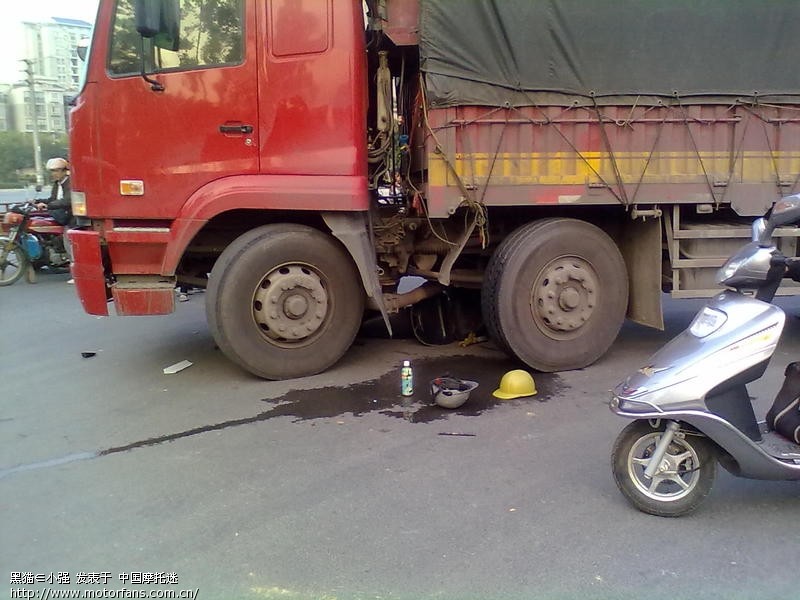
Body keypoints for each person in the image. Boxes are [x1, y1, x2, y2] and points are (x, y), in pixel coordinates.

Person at [36, 157, 74, 282]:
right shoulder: (57, 185)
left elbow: (68, 200)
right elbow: (53, 199)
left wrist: (49, 205)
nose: (54, 174)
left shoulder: (69, 183)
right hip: (61, 214)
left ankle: (75, 273)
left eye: (56, 171)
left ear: (64, 171)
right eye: (52, 171)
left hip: (72, 216)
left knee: (69, 239)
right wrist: (39, 201)